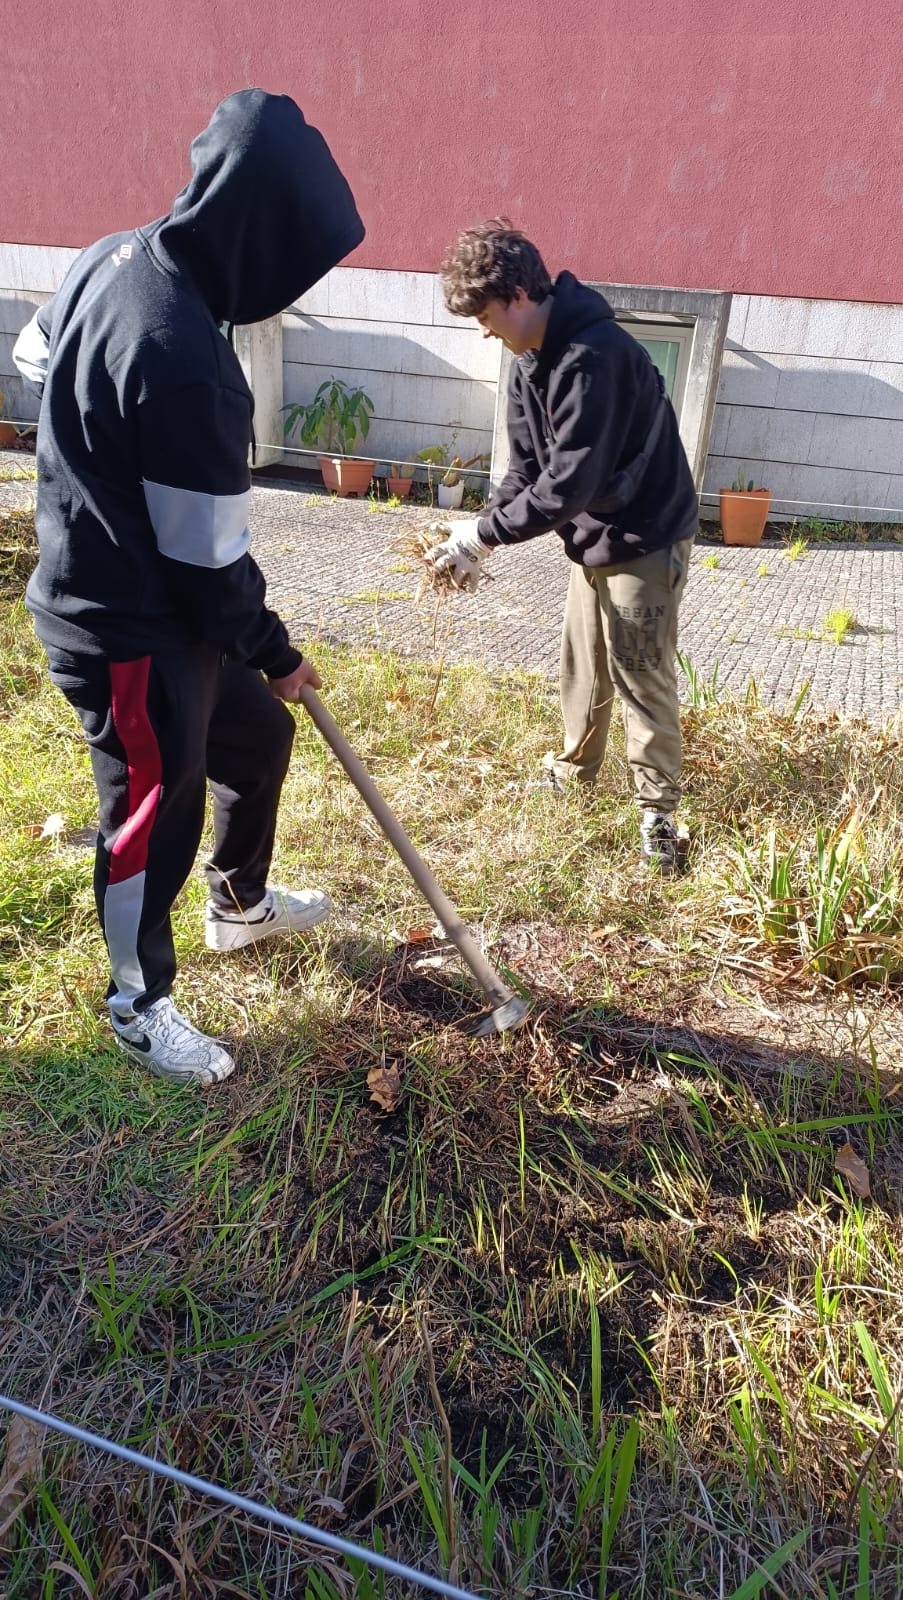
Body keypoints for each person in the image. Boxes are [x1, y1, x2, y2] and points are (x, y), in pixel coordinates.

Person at [12, 90, 365, 1085]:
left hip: (170, 608)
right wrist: (277, 651)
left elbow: (35, 355)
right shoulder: (188, 364)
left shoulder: (111, 255)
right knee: (152, 809)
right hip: (124, 626)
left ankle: (238, 904)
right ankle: (137, 1005)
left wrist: (93, 450)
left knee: (256, 739)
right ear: (258, 236)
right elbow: (211, 565)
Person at [428, 219, 698, 873]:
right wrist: (479, 535)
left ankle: (658, 814)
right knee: (584, 665)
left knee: (639, 670)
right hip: (591, 538)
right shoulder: (527, 363)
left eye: (486, 316)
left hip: (646, 533)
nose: (484, 331)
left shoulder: (593, 357)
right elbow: (526, 473)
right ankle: (574, 771)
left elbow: (568, 485)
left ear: (520, 295)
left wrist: (484, 534)